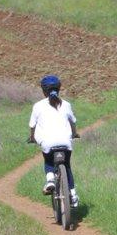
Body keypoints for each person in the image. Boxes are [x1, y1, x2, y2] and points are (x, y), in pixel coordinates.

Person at [28, 74, 80, 207]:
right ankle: (73, 195)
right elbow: (73, 123)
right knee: (67, 166)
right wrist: (74, 133)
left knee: (48, 161)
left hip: (48, 143)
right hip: (65, 143)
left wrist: (32, 137)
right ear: (59, 89)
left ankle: (50, 180)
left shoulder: (38, 106)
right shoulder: (66, 104)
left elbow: (32, 126)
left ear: (43, 90)